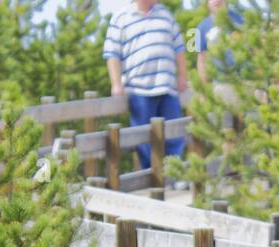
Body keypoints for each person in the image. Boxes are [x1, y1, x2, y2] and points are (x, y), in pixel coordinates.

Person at [104, 0, 188, 168]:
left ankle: (173, 173)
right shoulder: (121, 18)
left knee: (174, 133)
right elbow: (112, 54)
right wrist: (116, 84)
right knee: (143, 138)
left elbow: (179, 48)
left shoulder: (166, 14)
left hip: (167, 86)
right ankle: (151, 177)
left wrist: (182, 76)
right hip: (139, 88)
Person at [195, 0, 246, 84]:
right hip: (220, 84)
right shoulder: (201, 27)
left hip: (246, 82)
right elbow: (201, 60)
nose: (216, 1)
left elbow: (254, 50)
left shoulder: (241, 20)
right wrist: (204, 91)